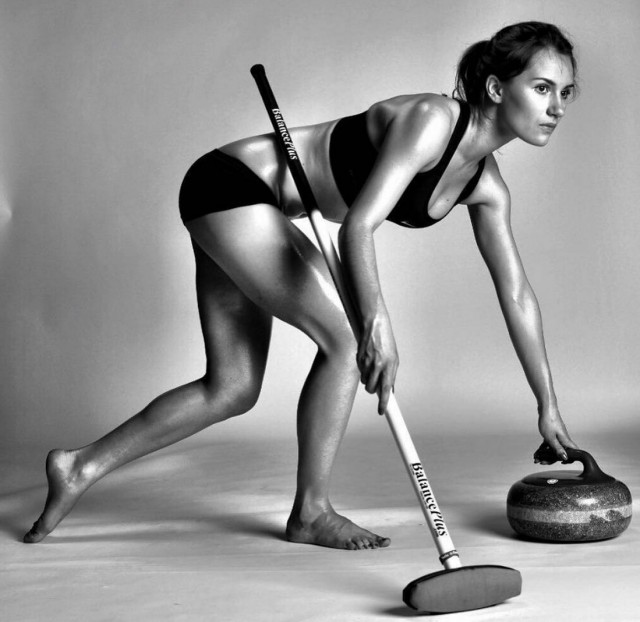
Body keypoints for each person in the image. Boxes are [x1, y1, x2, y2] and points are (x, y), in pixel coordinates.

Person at [24, 21, 578, 550]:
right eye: (542, 88)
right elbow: (358, 227)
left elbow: (516, 294)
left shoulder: (487, 187)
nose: (556, 107)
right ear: (496, 88)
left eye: (566, 92)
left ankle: (79, 466)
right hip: (233, 185)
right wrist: (375, 325)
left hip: (251, 211)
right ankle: (311, 512)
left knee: (232, 388)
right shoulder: (432, 120)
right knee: (347, 342)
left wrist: (547, 405)